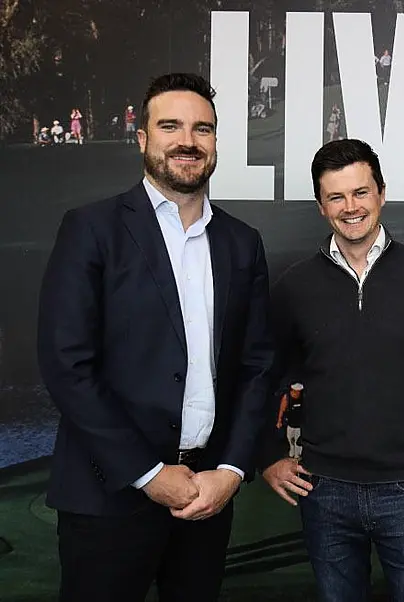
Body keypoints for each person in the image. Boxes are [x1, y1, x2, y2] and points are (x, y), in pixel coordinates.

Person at [35, 72, 276, 602]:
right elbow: (66, 363)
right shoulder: (91, 229)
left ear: (215, 143)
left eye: (202, 129)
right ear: (143, 139)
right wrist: (146, 474)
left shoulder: (241, 243)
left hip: (207, 498)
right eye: (170, 126)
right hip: (108, 497)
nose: (188, 140)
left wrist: (231, 469)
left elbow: (258, 366)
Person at [259, 138, 404, 602]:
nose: (350, 207)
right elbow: (262, 380)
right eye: (336, 197)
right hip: (324, 492)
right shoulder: (295, 286)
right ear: (321, 207)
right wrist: (268, 456)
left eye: (360, 192)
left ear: (381, 194)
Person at [276, 383, 305, 459]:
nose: (298, 393)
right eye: (296, 391)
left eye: (299, 391)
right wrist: (279, 421)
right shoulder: (287, 397)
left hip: (299, 425)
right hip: (290, 423)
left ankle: (297, 455)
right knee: (290, 439)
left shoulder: (303, 397)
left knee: (298, 441)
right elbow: (282, 409)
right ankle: (292, 451)